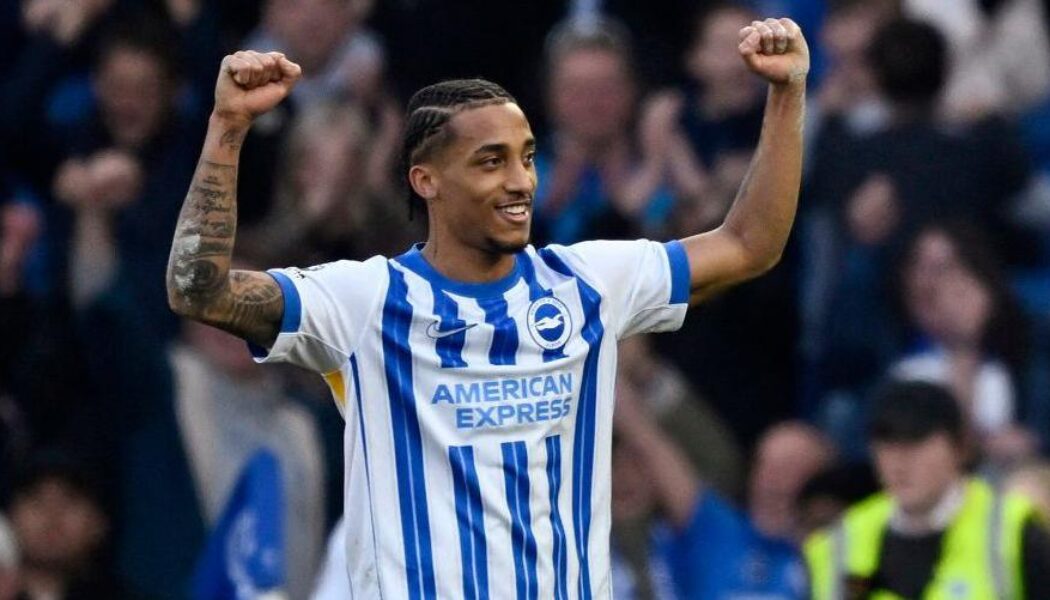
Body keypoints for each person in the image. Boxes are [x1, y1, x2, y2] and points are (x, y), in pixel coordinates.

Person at [166, 16, 809, 597]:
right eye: (491, 162)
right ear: (427, 180)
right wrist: (226, 130)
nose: (520, 181)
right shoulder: (365, 299)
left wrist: (786, 96)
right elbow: (198, 290)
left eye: (527, 158)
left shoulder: (585, 282)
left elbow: (750, 244)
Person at [805, 381, 1050, 599]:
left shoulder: (1014, 531)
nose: (900, 464)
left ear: (959, 448)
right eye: (887, 446)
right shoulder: (837, 544)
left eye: (917, 444)